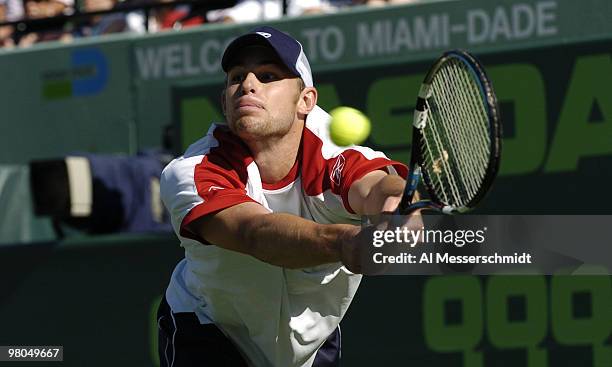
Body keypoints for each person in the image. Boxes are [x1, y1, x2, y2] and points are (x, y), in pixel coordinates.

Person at [157, 25, 421, 367]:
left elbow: (376, 186)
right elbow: (255, 234)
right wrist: (347, 242)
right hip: (210, 330)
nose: (248, 85)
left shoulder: (332, 155)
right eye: (237, 77)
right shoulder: (194, 170)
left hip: (311, 347)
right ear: (224, 102)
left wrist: (396, 209)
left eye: (268, 75)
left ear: (306, 100)